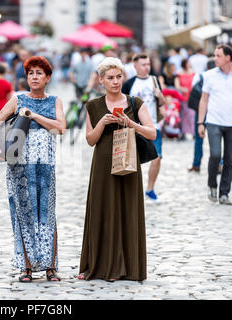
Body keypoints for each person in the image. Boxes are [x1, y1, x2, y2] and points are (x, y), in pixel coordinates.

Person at [0, 56, 66, 283]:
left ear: (47, 78)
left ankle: (51, 266)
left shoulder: (55, 101)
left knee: (47, 214)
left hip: (45, 167)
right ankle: (26, 267)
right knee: (22, 214)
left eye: (39, 73)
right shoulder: (18, 99)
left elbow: (61, 128)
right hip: (19, 167)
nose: (34, 77)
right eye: (30, 73)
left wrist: (33, 115)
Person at [78, 57, 156, 282]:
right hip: (102, 164)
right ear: (101, 80)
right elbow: (90, 140)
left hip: (128, 162)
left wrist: (130, 123)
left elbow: (152, 133)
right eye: (110, 78)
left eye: (118, 77)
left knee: (127, 210)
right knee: (103, 210)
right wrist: (102, 122)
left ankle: (127, 266)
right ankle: (100, 266)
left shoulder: (135, 102)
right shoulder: (93, 105)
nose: (115, 81)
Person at [197, 44, 232, 205]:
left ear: (228, 58)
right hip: (214, 122)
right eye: (214, 55)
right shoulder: (209, 75)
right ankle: (212, 185)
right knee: (215, 155)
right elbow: (204, 99)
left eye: (218, 55)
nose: (215, 58)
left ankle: (224, 193)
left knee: (230, 159)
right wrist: (200, 122)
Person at [122, 53, 165, 203]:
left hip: (153, 125)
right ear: (135, 66)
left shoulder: (154, 80)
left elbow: (162, 103)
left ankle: (150, 188)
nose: (147, 67)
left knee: (157, 157)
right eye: (143, 65)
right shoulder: (129, 84)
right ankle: (132, 190)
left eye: (148, 64)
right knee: (133, 160)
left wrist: (159, 95)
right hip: (135, 127)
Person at [188, 58, 216, 173]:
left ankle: (196, 164)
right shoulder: (217, 77)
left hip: (200, 110)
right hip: (214, 110)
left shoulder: (200, 76)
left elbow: (192, 90)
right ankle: (218, 164)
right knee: (215, 138)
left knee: (198, 139)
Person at [176, 58, 195, 139]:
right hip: (183, 97)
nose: (189, 64)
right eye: (188, 63)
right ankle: (183, 132)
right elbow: (177, 86)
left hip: (191, 96)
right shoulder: (179, 74)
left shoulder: (193, 73)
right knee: (183, 115)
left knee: (191, 115)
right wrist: (182, 89)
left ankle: (193, 132)